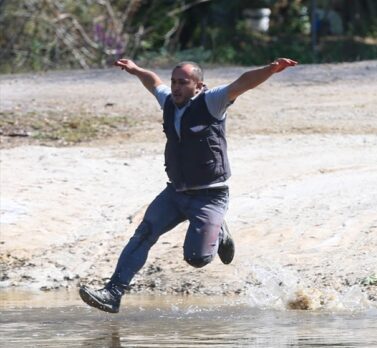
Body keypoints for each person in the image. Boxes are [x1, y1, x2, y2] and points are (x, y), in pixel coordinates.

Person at [79, 57, 298, 313]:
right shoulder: (169, 102)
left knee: (197, 259)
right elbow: (154, 83)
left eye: (183, 82)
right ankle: (113, 293)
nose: (176, 87)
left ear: (198, 86)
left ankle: (219, 232)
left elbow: (243, 83)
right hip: (175, 192)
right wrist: (137, 69)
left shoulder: (212, 102)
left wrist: (270, 68)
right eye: (174, 82)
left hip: (210, 195)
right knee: (144, 234)